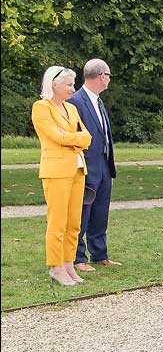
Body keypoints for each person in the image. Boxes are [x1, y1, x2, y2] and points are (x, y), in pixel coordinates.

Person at [31, 66, 93, 286]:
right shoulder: (41, 108)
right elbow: (55, 136)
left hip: (77, 169)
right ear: (53, 84)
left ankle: (69, 264)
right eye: (68, 84)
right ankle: (56, 266)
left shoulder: (71, 109)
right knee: (57, 222)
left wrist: (74, 137)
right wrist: (76, 138)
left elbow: (87, 137)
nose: (72, 89)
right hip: (56, 172)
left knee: (74, 222)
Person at [68, 58, 121, 272]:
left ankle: (100, 254)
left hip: (103, 166)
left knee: (100, 212)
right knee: (82, 212)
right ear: (101, 76)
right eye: (108, 75)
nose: (109, 79)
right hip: (86, 167)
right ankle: (78, 257)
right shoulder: (76, 101)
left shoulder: (97, 101)